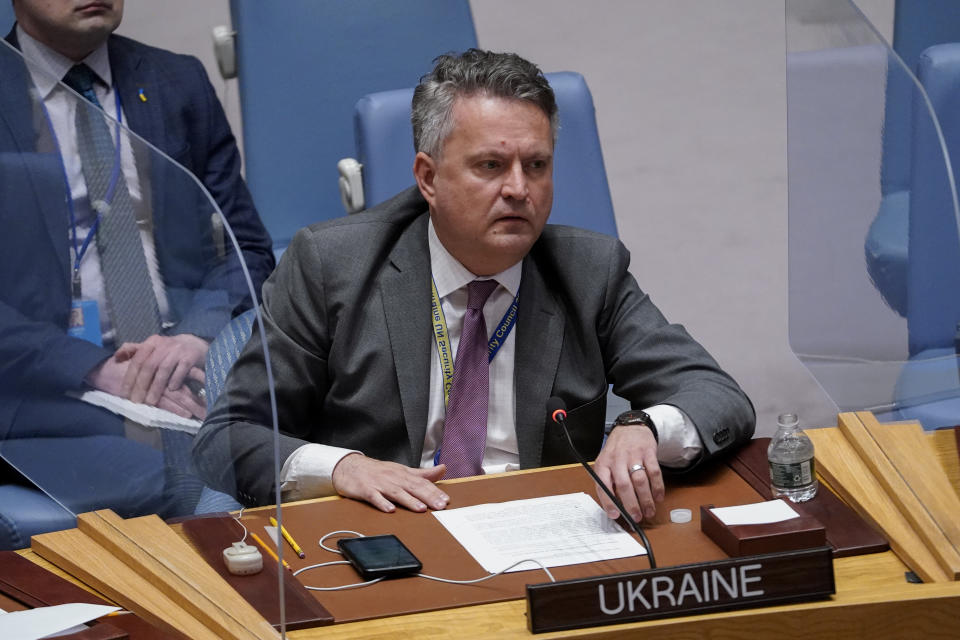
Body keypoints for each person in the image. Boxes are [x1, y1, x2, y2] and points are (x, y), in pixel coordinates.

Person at [195, 49, 754, 523]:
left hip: (544, 533)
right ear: (428, 178)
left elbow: (717, 396)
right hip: (387, 533)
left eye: (536, 165)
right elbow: (228, 436)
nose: (518, 189)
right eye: (491, 165)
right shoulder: (331, 264)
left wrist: (643, 427)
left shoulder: (588, 270)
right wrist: (342, 468)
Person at [0, 0, 275, 522]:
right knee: (189, 479)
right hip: (44, 387)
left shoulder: (175, 80)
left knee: (320, 438)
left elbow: (249, 250)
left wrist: (196, 338)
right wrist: (95, 369)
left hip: (184, 364)